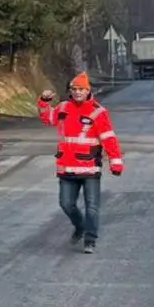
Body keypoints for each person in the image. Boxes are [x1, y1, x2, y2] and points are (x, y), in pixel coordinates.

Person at [38, 72, 122, 253]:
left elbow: (108, 138)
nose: (77, 92)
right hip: (67, 167)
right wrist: (44, 103)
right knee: (66, 204)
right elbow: (48, 118)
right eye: (74, 89)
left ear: (88, 90)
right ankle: (80, 226)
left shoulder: (98, 112)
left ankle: (90, 239)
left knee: (92, 206)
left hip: (90, 167)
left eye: (81, 89)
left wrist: (115, 162)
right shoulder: (63, 107)